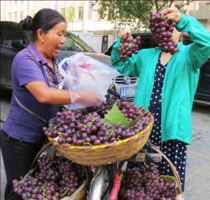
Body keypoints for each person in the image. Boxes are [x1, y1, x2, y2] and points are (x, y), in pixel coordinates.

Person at [0, 9, 102, 200]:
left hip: (44, 136)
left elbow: (67, 87)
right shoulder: (25, 59)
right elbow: (44, 95)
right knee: (20, 192)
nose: (64, 40)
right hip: (19, 139)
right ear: (41, 34)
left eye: (65, 34)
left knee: (37, 189)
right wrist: (81, 96)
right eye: (60, 34)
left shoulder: (56, 60)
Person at [111, 7, 210, 192]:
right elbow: (121, 64)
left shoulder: (189, 55)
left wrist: (184, 19)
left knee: (167, 188)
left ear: (179, 30)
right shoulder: (146, 55)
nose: (168, 29)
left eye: (172, 25)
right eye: (163, 25)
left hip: (172, 131)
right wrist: (120, 44)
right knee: (139, 186)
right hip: (144, 131)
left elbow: (208, 43)